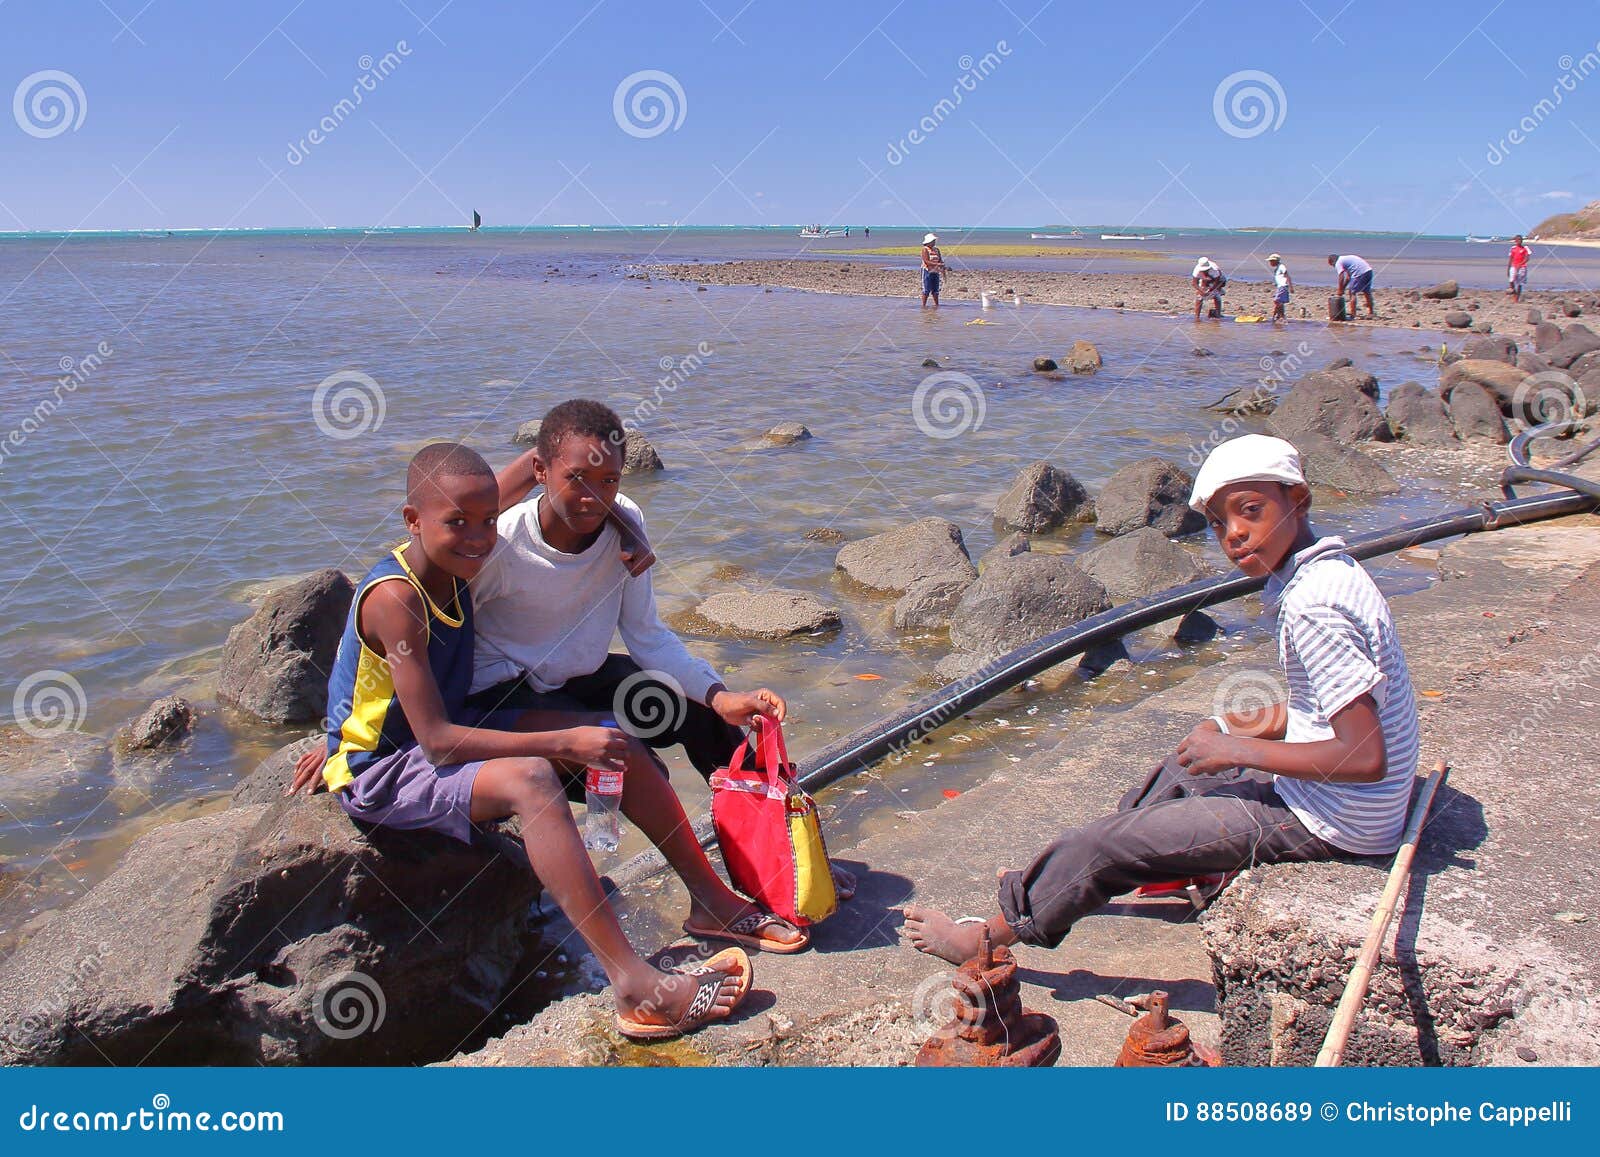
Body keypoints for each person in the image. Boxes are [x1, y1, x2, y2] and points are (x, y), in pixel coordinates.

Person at [289, 442, 788, 1041]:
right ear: (411, 521)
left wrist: (627, 527)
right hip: (390, 766)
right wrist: (338, 738)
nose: (478, 538)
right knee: (534, 777)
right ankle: (633, 986)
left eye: (486, 522)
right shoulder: (398, 600)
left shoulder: (461, 536)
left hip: (456, 720)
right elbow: (439, 743)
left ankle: (711, 902)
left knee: (613, 741)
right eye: (458, 524)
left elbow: (539, 463)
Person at [903, 434, 1420, 965]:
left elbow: (1363, 756)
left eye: (1250, 511)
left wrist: (1238, 752)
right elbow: (1329, 707)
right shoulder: (1329, 571)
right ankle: (1103, 867)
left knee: (1104, 846)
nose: (1235, 534)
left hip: (1337, 822)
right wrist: (1232, 726)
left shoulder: (1314, 606)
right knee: (1182, 769)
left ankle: (989, 936)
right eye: (1219, 523)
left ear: (1298, 500)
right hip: (1350, 806)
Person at [467, 399, 856, 914]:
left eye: (609, 481)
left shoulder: (625, 521)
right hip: (508, 699)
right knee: (634, 762)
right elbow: (415, 613)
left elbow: (647, 636)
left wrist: (721, 695)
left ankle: (770, 857)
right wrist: (350, 732)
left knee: (707, 718)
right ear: (539, 470)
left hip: (577, 679)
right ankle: (706, 898)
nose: (594, 497)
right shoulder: (500, 545)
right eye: (577, 478)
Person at [1329, 253, 1375, 318]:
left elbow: (1341, 277)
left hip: (1360, 273)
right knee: (1367, 292)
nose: (1334, 266)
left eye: (1332, 265)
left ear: (1332, 261)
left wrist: (1339, 290)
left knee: (1352, 293)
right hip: (1368, 271)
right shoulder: (1345, 259)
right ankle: (1371, 313)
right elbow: (1348, 277)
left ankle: (1353, 314)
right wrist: (1343, 288)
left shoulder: (1338, 262)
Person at [920, 232, 947, 308]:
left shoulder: (937, 250)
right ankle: (923, 306)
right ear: (928, 242)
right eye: (932, 241)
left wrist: (942, 266)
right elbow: (926, 261)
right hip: (927, 271)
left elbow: (940, 260)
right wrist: (937, 264)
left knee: (935, 290)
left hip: (936, 271)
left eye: (934, 241)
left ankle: (936, 305)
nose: (934, 243)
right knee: (926, 289)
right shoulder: (925, 250)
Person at [1267, 253, 1292, 321]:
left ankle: (1276, 316)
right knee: (1280, 302)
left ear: (1275, 261)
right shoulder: (1277, 268)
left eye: (1271, 261)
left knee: (1277, 301)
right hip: (1280, 287)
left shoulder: (1281, 266)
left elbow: (1287, 275)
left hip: (1283, 286)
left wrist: (1291, 286)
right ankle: (1280, 316)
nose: (1270, 263)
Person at [1507, 235, 1530, 301]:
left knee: (1520, 283)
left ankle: (1516, 298)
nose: (1519, 241)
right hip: (1513, 266)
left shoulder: (1525, 248)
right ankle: (1514, 293)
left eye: (1520, 240)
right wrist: (1508, 268)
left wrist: (1521, 264)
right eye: (1517, 240)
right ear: (1515, 241)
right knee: (1511, 281)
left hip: (1522, 267)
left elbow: (1527, 258)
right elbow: (1510, 259)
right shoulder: (1513, 248)